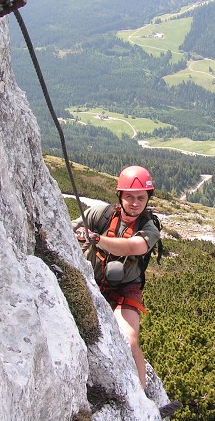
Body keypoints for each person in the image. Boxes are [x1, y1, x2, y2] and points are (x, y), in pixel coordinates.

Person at [72, 165, 160, 389]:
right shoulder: (99, 214)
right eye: (129, 196)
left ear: (148, 198)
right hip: (92, 280)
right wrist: (79, 234)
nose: (135, 203)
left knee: (129, 341)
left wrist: (96, 239)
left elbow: (131, 247)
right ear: (119, 195)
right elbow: (67, 228)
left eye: (141, 197)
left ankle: (142, 401)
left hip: (125, 289)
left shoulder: (150, 228)